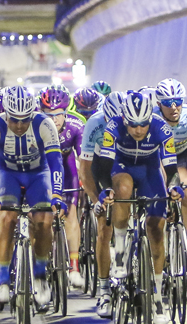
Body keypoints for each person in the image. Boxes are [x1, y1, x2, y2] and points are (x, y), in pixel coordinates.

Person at [96, 92, 183, 324]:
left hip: (149, 171)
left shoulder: (161, 128)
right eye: (133, 125)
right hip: (122, 167)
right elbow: (103, 166)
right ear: (124, 119)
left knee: (156, 229)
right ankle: (121, 252)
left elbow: (171, 168)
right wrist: (106, 190)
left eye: (143, 124)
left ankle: (157, 297)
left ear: (149, 119)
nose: (138, 130)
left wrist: (175, 187)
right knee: (122, 189)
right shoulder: (113, 126)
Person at [0, 85, 66, 308]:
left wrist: (56, 194)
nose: (19, 126)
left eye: (24, 120)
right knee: (7, 218)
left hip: (38, 173)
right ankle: (2, 279)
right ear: (6, 114)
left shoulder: (44, 124)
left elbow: (56, 163)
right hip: (7, 173)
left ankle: (39, 275)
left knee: (43, 220)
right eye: (14, 120)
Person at [79, 91, 123, 317]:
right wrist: (96, 200)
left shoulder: (134, 122)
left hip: (123, 163)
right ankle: (104, 290)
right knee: (104, 230)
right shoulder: (94, 124)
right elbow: (85, 170)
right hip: (99, 166)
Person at [40, 86, 85, 287]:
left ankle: (74, 266)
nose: (54, 119)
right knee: (44, 217)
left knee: (71, 214)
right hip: (43, 169)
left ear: (66, 112)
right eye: (49, 115)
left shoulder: (76, 126)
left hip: (67, 170)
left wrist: (86, 182)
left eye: (58, 114)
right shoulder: (35, 127)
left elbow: (84, 160)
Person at [153, 78, 187, 223]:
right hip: (160, 155)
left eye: (178, 102)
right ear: (159, 104)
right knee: (162, 181)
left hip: (181, 155)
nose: (174, 107)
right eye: (167, 103)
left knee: (185, 190)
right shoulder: (152, 118)